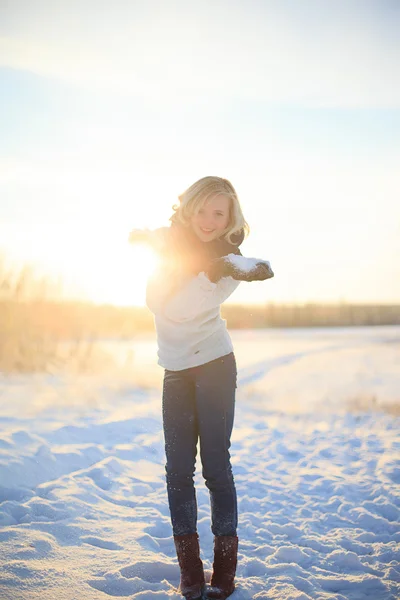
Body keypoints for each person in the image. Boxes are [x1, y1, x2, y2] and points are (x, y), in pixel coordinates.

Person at [129, 176, 274, 600]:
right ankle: (190, 571)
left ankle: (224, 572)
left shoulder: (231, 263)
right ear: (189, 209)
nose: (209, 221)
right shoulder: (171, 250)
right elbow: (156, 300)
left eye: (220, 213)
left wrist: (216, 270)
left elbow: (182, 307)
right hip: (174, 370)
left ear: (231, 219)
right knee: (177, 470)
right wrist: (160, 246)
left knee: (215, 465)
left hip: (214, 366)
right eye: (203, 210)